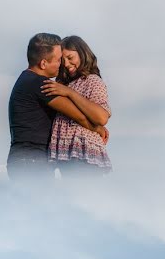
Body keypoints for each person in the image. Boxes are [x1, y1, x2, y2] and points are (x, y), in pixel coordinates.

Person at [7, 33, 108, 181]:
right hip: (32, 160)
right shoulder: (40, 84)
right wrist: (98, 129)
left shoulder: (26, 79)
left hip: (25, 160)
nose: (62, 64)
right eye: (59, 59)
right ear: (43, 64)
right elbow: (78, 116)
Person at [41, 35, 112, 178]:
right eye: (63, 60)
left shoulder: (93, 81)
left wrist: (70, 93)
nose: (66, 64)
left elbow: (102, 117)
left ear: (82, 54)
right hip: (68, 156)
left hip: (84, 154)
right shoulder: (66, 84)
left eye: (70, 57)